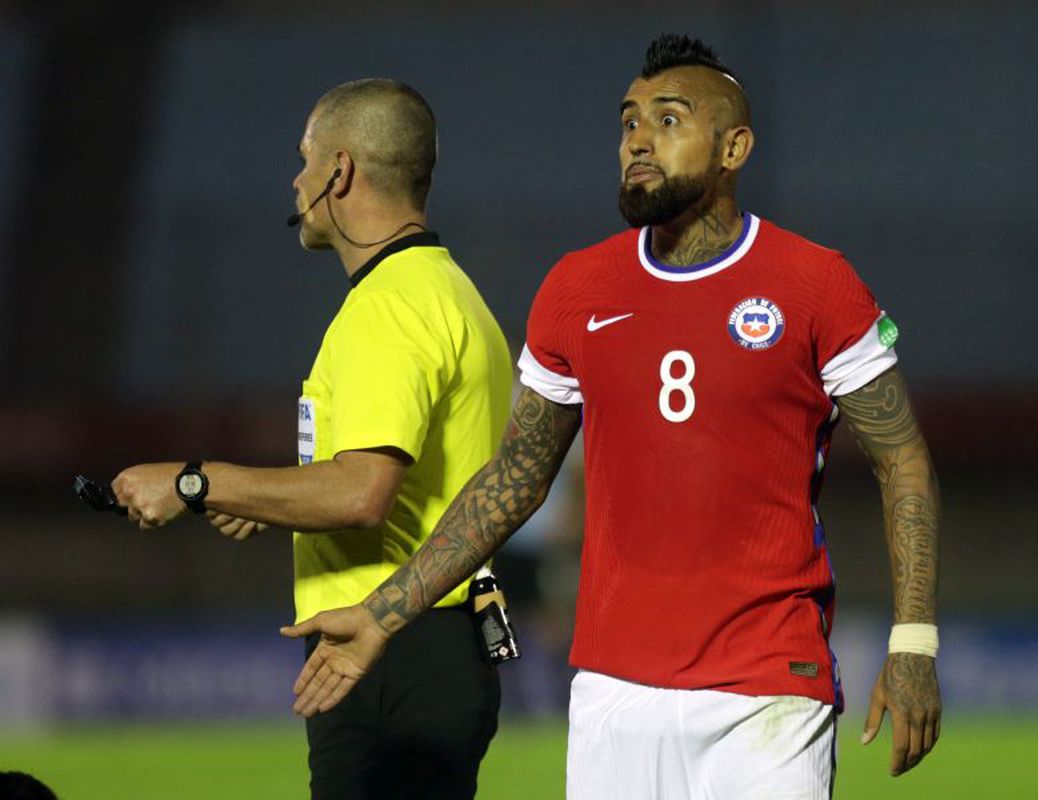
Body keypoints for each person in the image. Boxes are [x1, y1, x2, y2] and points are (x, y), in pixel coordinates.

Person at [284, 36, 942, 798]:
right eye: (628, 120)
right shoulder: (578, 289)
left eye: (668, 120)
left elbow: (904, 460)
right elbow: (513, 480)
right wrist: (382, 612)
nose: (637, 138)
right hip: (612, 697)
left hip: (767, 690)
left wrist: (914, 641)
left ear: (734, 147)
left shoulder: (814, 283)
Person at [112, 79, 511, 799]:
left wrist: (194, 481)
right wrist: (262, 500)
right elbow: (400, 490)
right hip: (437, 644)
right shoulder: (448, 290)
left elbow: (362, 492)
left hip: (390, 650)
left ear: (341, 171)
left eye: (304, 158)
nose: (294, 180)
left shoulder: (386, 309)